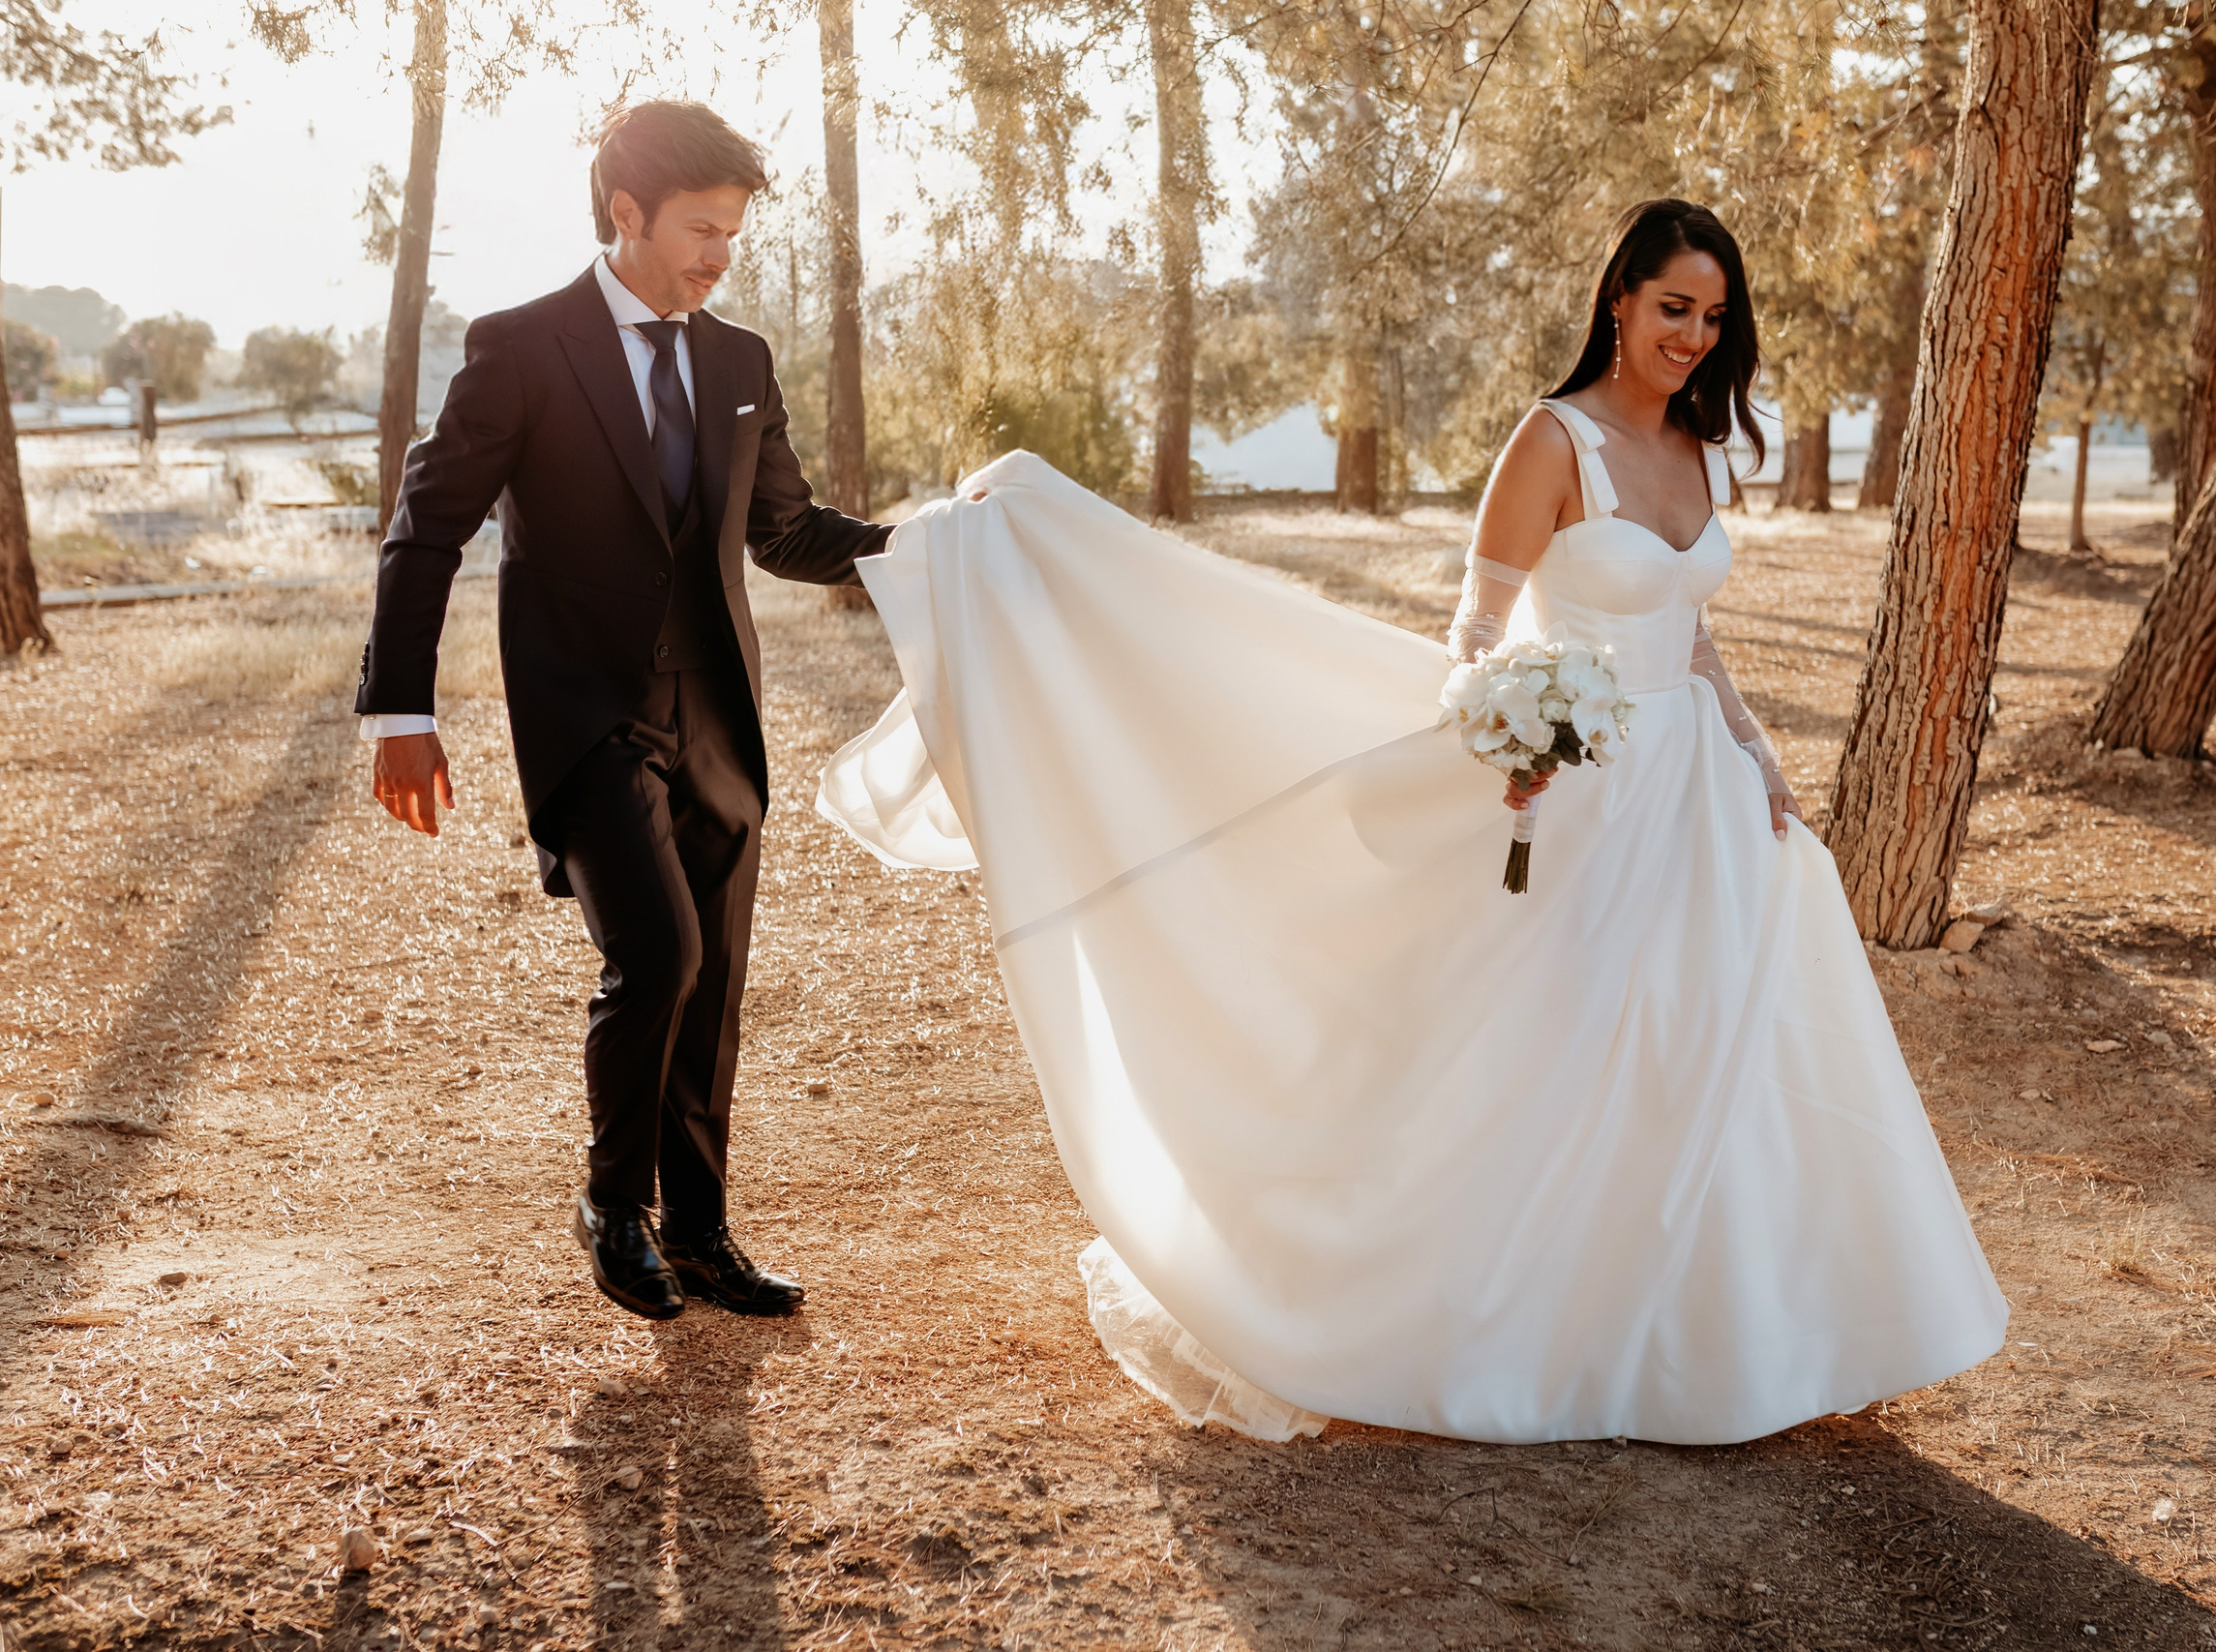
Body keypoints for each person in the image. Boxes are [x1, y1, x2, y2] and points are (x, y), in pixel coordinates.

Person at [819, 200, 2007, 1444]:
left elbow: (1690, 634)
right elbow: (1478, 634)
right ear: (1619, 300)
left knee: (1708, 1037)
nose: (1694, 338)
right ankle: (1490, 1310)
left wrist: (1756, 753)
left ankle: (1729, 1327)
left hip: (1694, 792)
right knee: (1554, 1042)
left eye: (1714, 319)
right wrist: (1513, 733)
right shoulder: (1555, 441)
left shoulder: (1704, 453)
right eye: (1673, 310)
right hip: (1578, 792)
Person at [357, 101, 888, 1322]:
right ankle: (615, 1205)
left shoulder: (741, 361)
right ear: (625, 214)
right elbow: (427, 527)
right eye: (700, 229)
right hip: (584, 713)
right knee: (659, 953)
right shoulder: (519, 347)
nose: (716, 256)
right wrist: (400, 713)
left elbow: (787, 534)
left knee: (716, 980)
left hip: (718, 721)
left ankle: (701, 1232)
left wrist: (934, 549)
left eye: (733, 236)